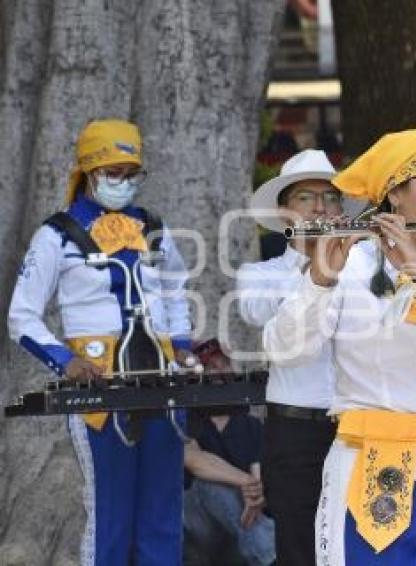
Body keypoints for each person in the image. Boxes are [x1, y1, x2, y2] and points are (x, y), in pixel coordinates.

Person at [263, 124, 416, 564]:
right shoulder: (352, 266)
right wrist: (319, 281)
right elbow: (286, 350)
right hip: (373, 465)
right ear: (394, 196)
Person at [8, 119, 195, 565]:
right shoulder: (57, 234)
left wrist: (183, 344)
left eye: (132, 173)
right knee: (109, 517)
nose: (124, 183)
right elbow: (21, 315)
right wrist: (64, 360)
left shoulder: (151, 225)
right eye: (114, 173)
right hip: (98, 391)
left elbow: (175, 286)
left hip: (164, 386)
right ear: (89, 172)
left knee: (164, 515)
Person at [236, 149, 344, 566]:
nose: (320, 207)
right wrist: (318, 270)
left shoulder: (362, 270)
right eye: (306, 198)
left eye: (330, 197)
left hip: (358, 427)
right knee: (299, 547)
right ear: (285, 212)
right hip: (296, 431)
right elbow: (255, 312)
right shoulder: (260, 274)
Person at [183, 339, 275, 566]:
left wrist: (256, 494)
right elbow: (195, 461)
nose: (219, 372)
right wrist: (243, 481)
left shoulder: (250, 425)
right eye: (211, 367)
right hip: (194, 529)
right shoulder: (185, 419)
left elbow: (258, 473)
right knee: (213, 487)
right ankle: (270, 558)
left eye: (224, 365)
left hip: (240, 527)